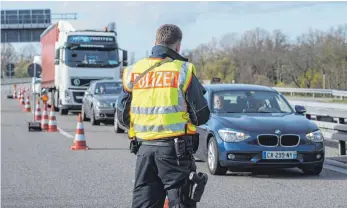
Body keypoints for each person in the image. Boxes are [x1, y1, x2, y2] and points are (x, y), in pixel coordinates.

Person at [116, 24, 210, 208]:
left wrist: (144, 127)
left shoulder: (133, 71)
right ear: (177, 46)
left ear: (155, 42)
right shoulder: (183, 70)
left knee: (145, 204)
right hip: (175, 152)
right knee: (180, 202)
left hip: (144, 150)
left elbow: (122, 115)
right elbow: (201, 115)